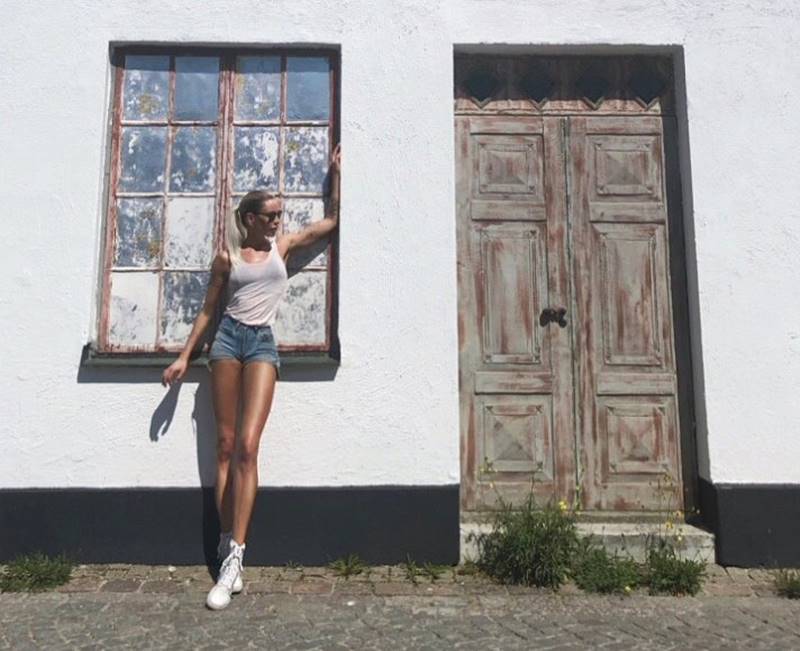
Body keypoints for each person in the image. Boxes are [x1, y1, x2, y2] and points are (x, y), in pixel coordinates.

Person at [161, 144, 341, 610]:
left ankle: (236, 557)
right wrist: (184, 358)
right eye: (270, 216)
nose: (278, 222)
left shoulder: (283, 248)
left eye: (280, 215)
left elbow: (330, 224)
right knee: (223, 447)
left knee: (247, 447)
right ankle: (225, 541)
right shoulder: (228, 257)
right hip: (226, 342)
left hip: (262, 344)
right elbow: (208, 311)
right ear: (250, 219)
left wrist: (335, 177)